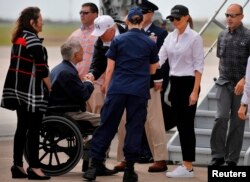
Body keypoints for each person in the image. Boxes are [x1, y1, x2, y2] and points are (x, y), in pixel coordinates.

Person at [83, 7, 159, 182]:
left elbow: (109, 69)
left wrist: (107, 88)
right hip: (138, 91)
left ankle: (93, 168)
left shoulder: (118, 41)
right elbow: (153, 69)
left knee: (107, 125)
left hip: (118, 89)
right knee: (134, 128)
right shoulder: (149, 42)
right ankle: (129, 170)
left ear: (127, 21)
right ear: (141, 21)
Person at [48, 38, 117, 176]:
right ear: (75, 55)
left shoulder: (58, 69)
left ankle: (89, 159)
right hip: (69, 113)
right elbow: (83, 95)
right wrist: (89, 82)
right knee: (107, 122)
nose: (83, 53)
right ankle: (95, 162)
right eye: (81, 52)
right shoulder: (67, 72)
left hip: (60, 110)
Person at [114, 0, 169, 173]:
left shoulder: (159, 33)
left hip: (149, 83)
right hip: (128, 85)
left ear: (151, 14)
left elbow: (160, 61)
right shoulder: (125, 32)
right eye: (139, 12)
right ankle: (123, 159)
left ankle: (160, 158)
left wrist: (159, 80)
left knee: (153, 123)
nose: (141, 15)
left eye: (145, 12)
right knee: (124, 122)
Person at [1, 7, 51, 180]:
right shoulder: (33, 40)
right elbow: (42, 70)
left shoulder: (19, 38)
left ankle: (18, 166)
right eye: (40, 19)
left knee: (21, 128)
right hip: (31, 93)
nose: (42, 22)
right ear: (33, 22)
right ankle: (35, 168)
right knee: (34, 130)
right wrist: (51, 88)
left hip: (17, 91)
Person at [159, 5, 204, 178]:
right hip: (174, 83)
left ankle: (188, 167)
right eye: (172, 19)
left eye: (178, 18)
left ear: (186, 17)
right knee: (179, 123)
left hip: (190, 83)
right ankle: (186, 165)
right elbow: (160, 58)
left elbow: (199, 67)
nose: (175, 21)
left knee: (186, 125)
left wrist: (194, 92)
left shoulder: (195, 38)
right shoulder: (170, 37)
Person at [210, 4, 250, 166]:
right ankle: (217, 155)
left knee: (237, 123)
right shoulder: (222, 35)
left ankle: (231, 160)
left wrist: (244, 80)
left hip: (242, 85)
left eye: (233, 15)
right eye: (227, 15)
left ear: (241, 16)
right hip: (224, 82)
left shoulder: (248, 36)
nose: (229, 18)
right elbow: (221, 58)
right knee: (220, 118)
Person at [68, 2, 102, 114]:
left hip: (96, 84)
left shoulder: (101, 34)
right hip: (77, 84)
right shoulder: (74, 35)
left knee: (98, 118)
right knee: (82, 121)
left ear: (95, 15)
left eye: (86, 13)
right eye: (80, 13)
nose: (82, 15)